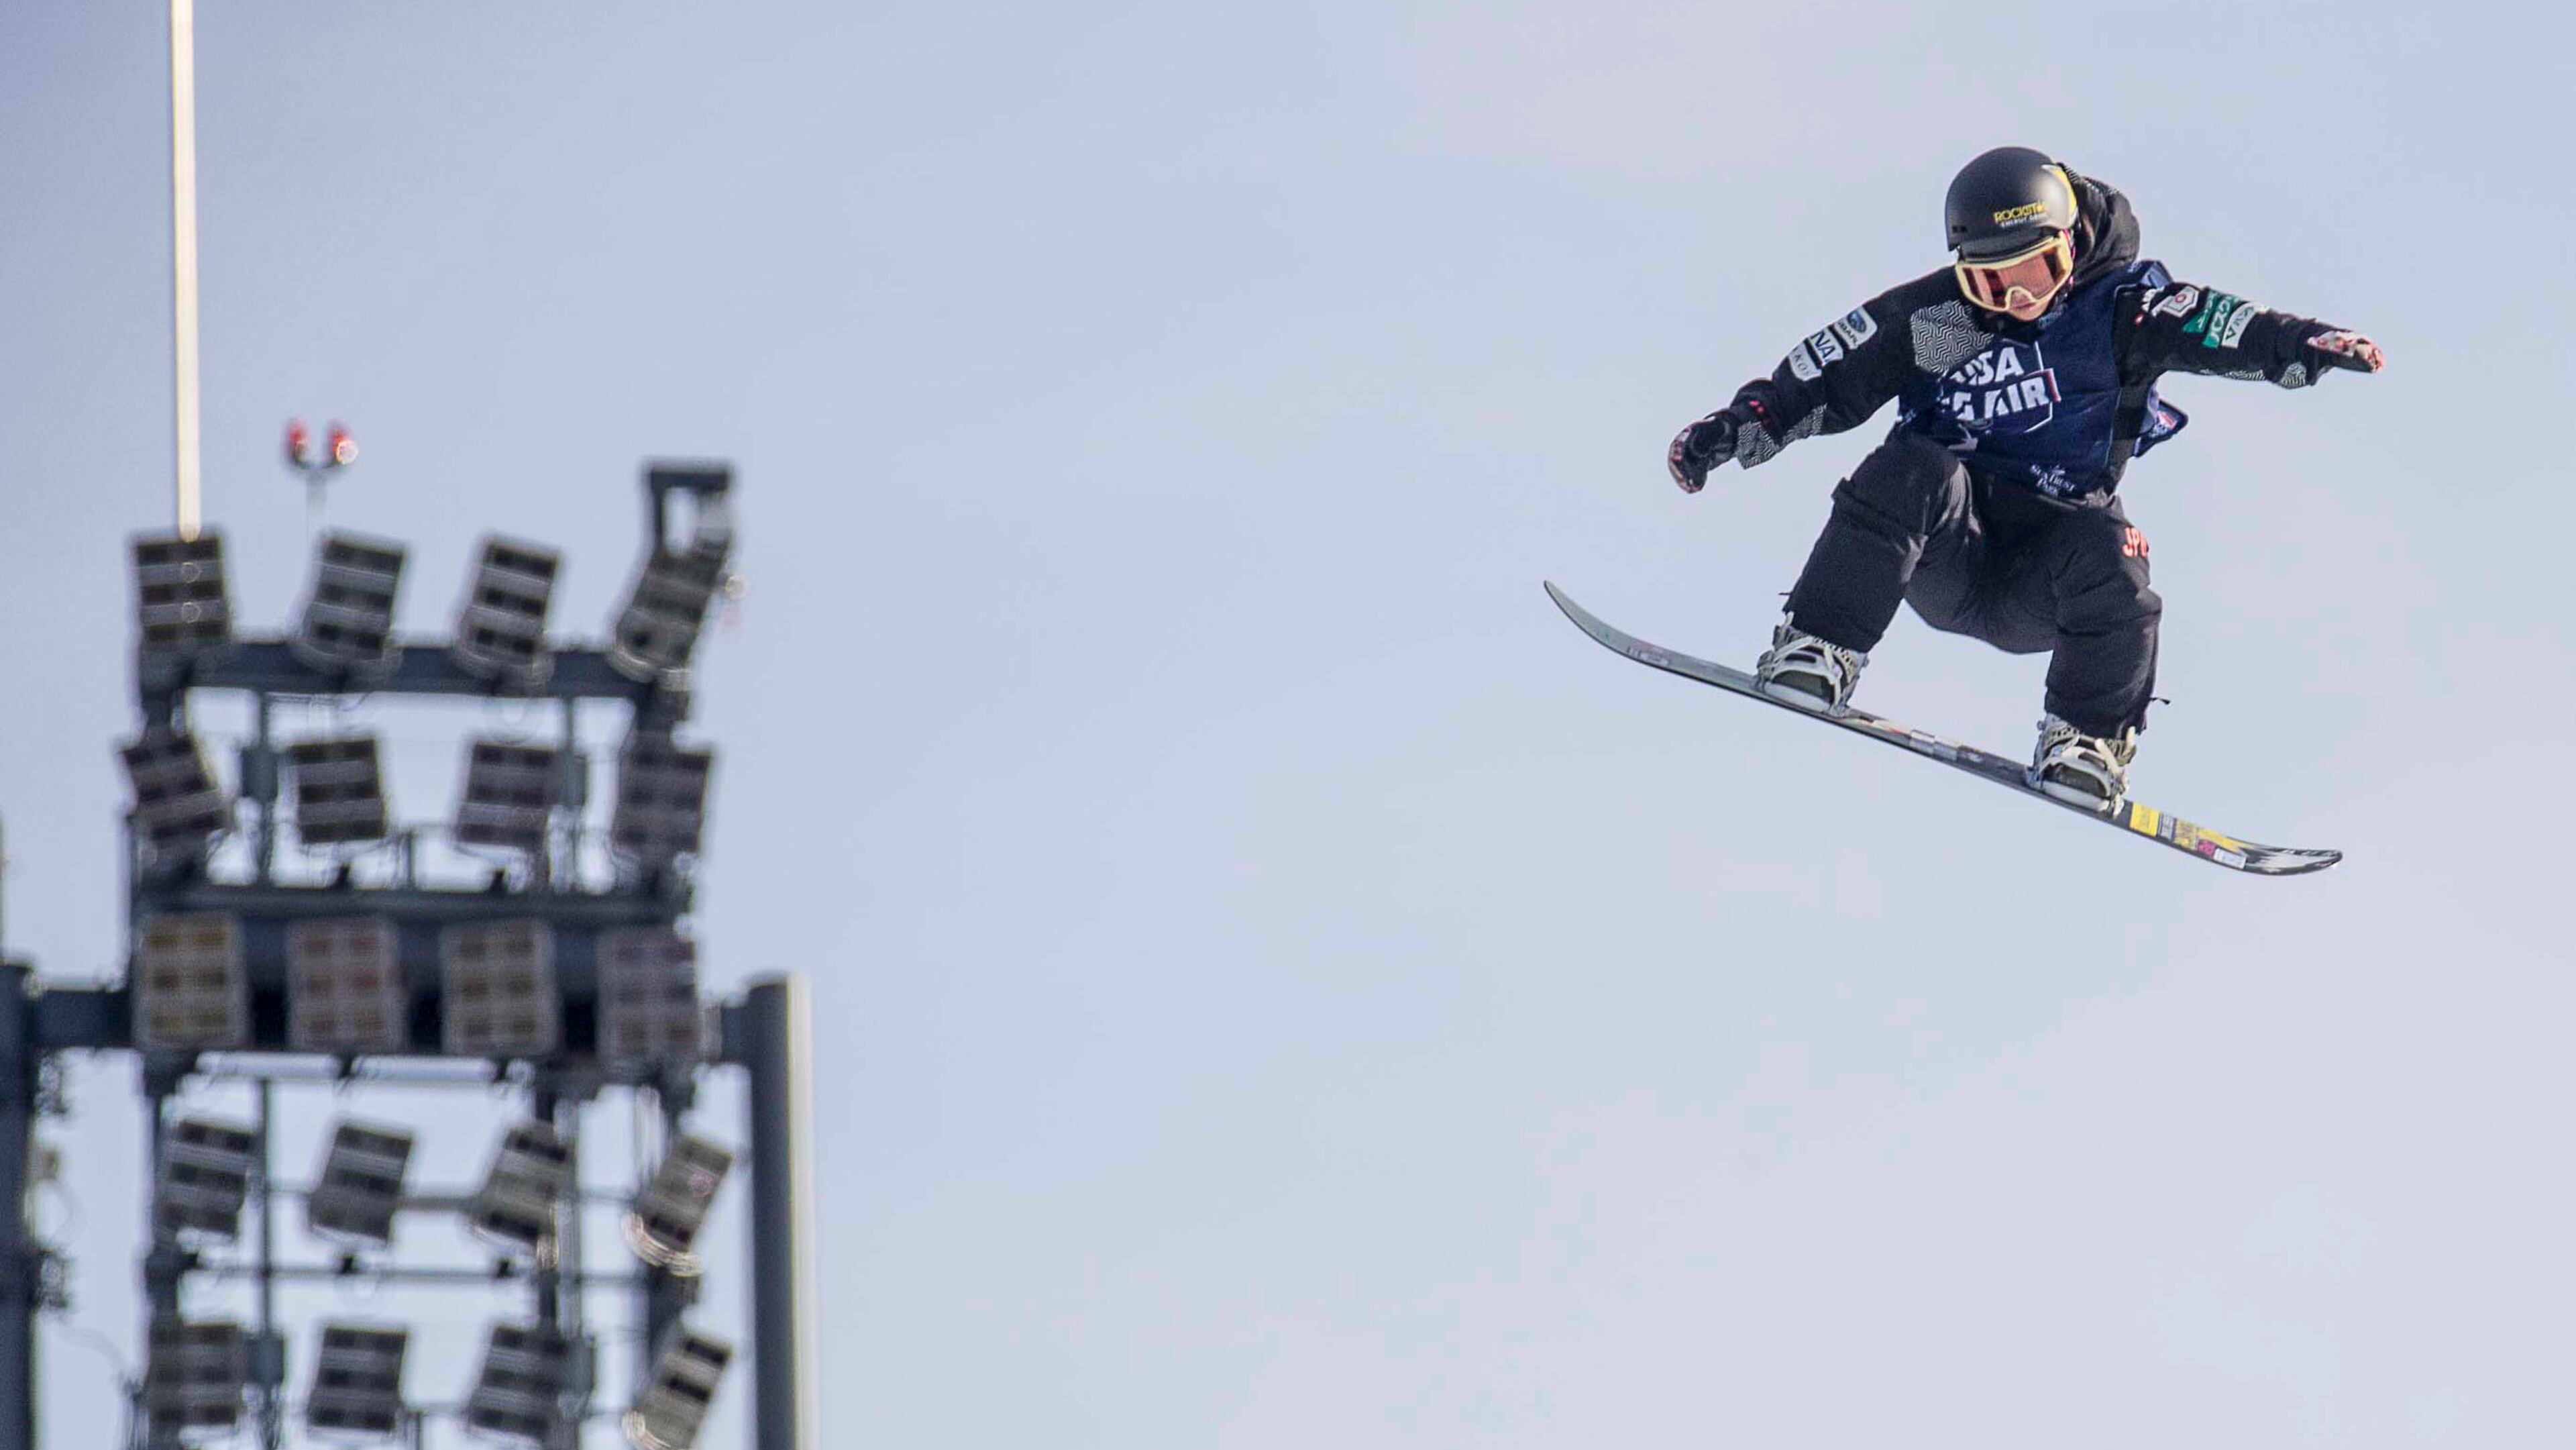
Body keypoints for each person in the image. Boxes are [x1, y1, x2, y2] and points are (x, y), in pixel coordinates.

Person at [1664, 146, 2385, 810]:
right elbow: (1836, 371)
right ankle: (1818, 645)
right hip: (1945, 550)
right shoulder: (1952, 322)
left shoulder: (2117, 314)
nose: (2016, 300)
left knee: (2117, 548)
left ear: (2068, 246)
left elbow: (2216, 325)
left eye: (2033, 273)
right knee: (1912, 465)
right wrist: (1740, 425)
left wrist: (2302, 345)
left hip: (2044, 582)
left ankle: (2088, 739)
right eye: (1989, 282)